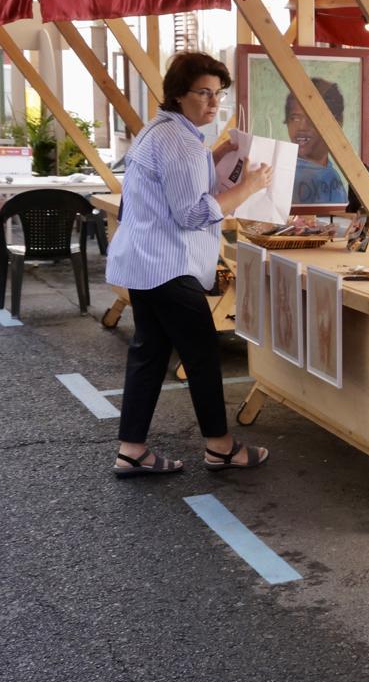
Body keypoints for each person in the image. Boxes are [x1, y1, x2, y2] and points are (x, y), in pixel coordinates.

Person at [105, 51, 275, 478]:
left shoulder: (161, 131)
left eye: (218, 94)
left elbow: (181, 189)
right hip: (168, 265)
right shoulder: (179, 142)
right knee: (201, 354)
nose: (214, 103)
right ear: (179, 94)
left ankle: (132, 449)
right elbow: (193, 213)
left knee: (150, 352)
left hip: (145, 262)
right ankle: (219, 447)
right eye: (204, 93)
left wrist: (219, 157)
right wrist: (250, 186)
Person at [285, 78, 349, 205]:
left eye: (311, 119)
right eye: (295, 118)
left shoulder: (331, 174)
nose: (301, 127)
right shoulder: (283, 173)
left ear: (335, 124)